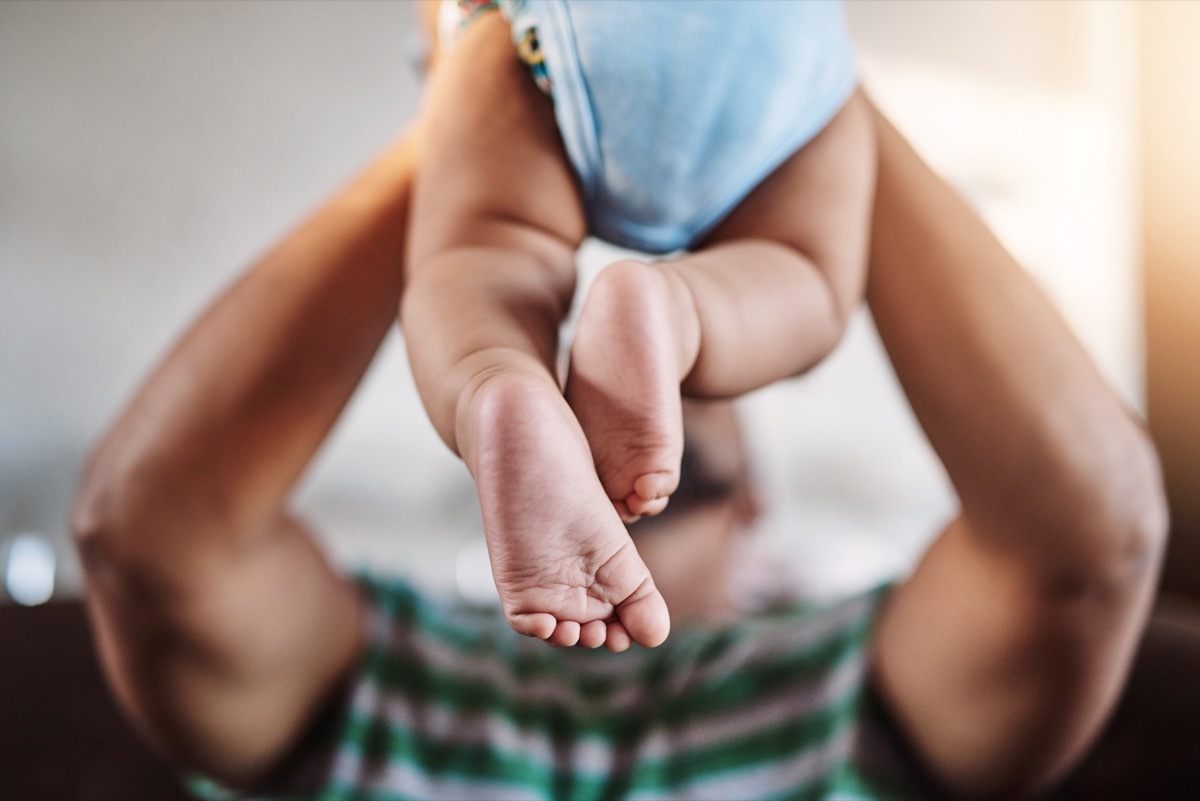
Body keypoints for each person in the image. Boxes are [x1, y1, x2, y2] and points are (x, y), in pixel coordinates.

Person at [70, 80, 1167, 798]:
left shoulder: (854, 690)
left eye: (686, 387)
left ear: (756, 505)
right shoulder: (370, 674)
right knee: (785, 285)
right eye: (579, 378)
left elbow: (1091, 548)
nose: (635, 395)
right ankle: (652, 319)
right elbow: (145, 546)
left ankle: (498, 373)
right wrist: (772, 82)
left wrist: (498, 116)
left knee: (482, 284)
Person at [399, 0, 876, 650]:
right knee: (804, 279)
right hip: (759, 40)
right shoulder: (797, 605)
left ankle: (495, 374)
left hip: (539, 28)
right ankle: (673, 312)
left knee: (487, 257)